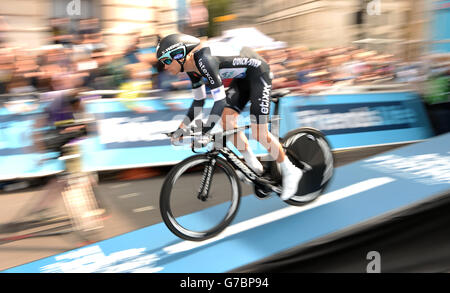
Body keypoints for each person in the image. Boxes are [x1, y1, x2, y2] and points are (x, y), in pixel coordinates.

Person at [156, 33, 303, 200]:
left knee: (258, 132)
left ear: (180, 55)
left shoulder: (205, 62)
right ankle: (253, 164)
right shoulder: (191, 70)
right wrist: (181, 129)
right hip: (242, 79)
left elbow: (219, 101)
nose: (165, 67)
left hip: (258, 74)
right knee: (226, 121)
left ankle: (291, 170)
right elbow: (199, 101)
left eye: (167, 61)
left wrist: (206, 130)